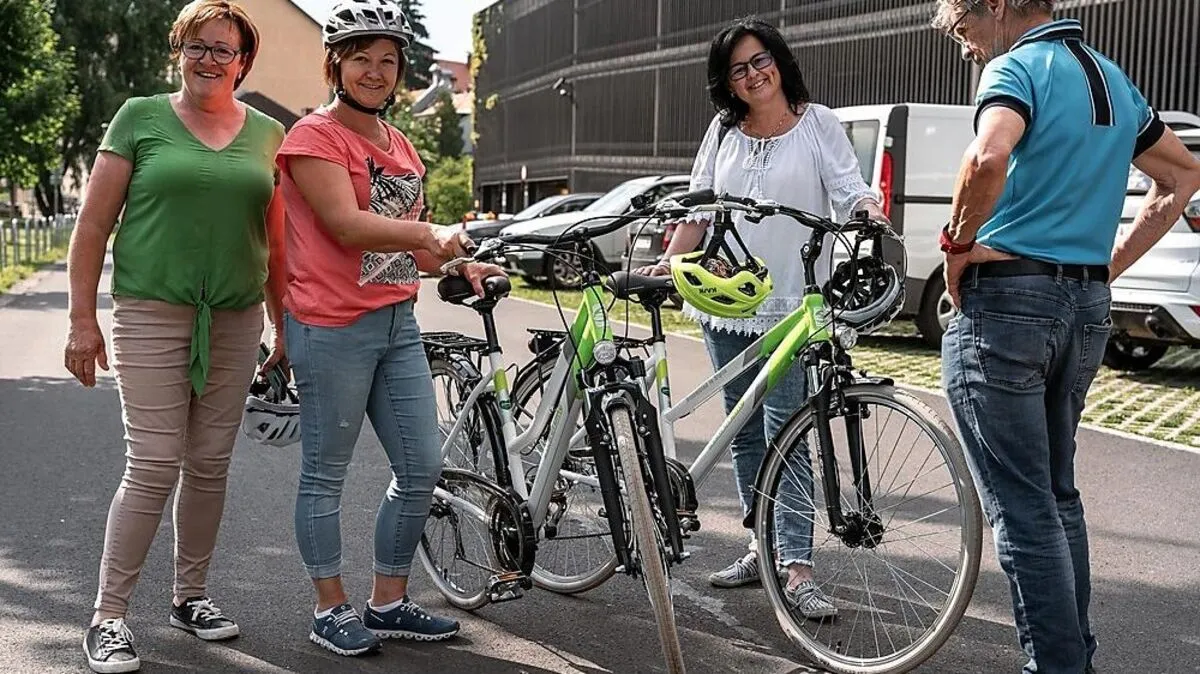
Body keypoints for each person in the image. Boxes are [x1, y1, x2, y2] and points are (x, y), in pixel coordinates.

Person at [931, 1, 1200, 672]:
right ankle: (1073, 658)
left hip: (1007, 304)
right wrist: (1107, 266)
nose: (967, 51)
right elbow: (1182, 175)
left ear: (994, 6)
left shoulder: (1017, 68)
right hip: (1084, 308)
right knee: (1056, 495)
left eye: (965, 33)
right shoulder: (1115, 79)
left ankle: (1058, 666)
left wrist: (956, 245)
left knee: (1023, 509)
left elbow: (987, 156)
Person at [273, 0, 503, 657]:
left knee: (422, 466)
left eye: (388, 61)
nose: (375, 71)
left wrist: (460, 258)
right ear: (335, 64)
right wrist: (431, 232)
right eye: (361, 58)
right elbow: (346, 225)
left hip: (398, 321)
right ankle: (328, 609)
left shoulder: (399, 144)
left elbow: (414, 251)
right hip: (332, 325)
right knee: (326, 475)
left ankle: (388, 602)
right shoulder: (313, 137)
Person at [638, 18, 888, 618]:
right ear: (727, 83)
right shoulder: (724, 129)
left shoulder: (818, 122)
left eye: (759, 61)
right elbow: (701, 206)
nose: (752, 75)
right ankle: (763, 543)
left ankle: (796, 568)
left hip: (795, 301)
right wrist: (669, 264)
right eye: (738, 69)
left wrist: (870, 214)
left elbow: (852, 188)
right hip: (727, 298)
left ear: (778, 59)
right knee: (744, 429)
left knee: (790, 432)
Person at [63, 1, 286, 672]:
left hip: (236, 317)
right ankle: (108, 616)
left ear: (243, 62)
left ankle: (191, 597)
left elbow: (273, 242)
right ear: (178, 50)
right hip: (152, 315)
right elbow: (93, 227)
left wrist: (285, 322)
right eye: (197, 46)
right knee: (155, 463)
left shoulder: (269, 133)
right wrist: (81, 320)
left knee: (211, 463)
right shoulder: (140, 117)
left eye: (223, 49)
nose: (209, 60)